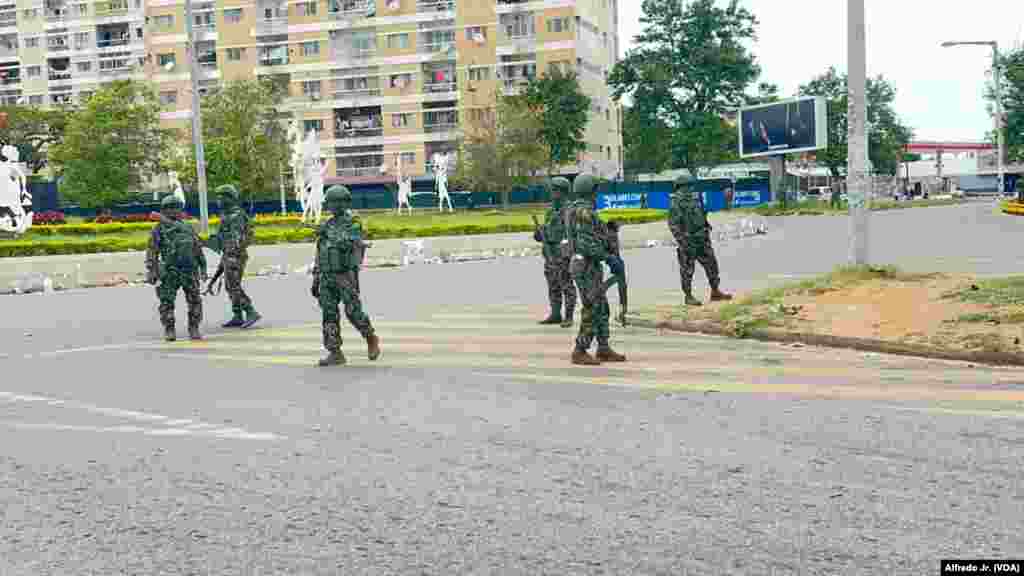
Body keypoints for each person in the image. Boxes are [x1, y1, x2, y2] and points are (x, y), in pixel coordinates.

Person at [311, 185, 381, 367]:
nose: (333, 206)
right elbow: (320, 251)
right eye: (330, 202)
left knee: (353, 311)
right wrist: (316, 276)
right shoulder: (327, 224)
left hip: (345, 275)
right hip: (326, 276)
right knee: (329, 314)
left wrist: (328, 233)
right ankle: (335, 351)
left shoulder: (353, 222)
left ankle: (370, 337)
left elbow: (348, 241)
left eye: (336, 202)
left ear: (345, 202)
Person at [565, 175, 626, 365]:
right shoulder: (584, 212)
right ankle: (580, 350)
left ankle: (603, 347)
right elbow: (586, 244)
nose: (597, 194)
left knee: (601, 306)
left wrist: (608, 232)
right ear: (590, 191)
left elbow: (592, 236)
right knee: (593, 307)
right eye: (595, 190)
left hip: (587, 265)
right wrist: (608, 257)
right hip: (586, 266)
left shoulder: (576, 209)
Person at [145, 195, 207, 341]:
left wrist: (203, 267)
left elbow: (197, 248)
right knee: (167, 302)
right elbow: (152, 250)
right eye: (169, 208)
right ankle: (169, 328)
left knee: (195, 300)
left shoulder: (187, 228)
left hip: (189, 271)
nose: (173, 211)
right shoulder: (159, 229)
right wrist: (152, 269)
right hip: (170, 271)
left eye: (176, 207)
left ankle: (194, 327)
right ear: (164, 210)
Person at [668, 174, 732, 306]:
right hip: (688, 240)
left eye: (690, 186)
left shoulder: (696, 198)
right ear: (680, 187)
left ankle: (715, 291)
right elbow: (673, 225)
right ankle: (688, 296)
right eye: (687, 186)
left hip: (702, 237)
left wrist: (706, 226)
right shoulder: (675, 202)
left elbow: (702, 214)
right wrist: (682, 241)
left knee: (712, 265)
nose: (689, 189)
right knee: (687, 270)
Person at [207, 184, 261, 328]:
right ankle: (237, 315)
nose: (218, 200)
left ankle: (251, 312)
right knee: (229, 285)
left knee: (233, 286)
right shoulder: (227, 215)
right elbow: (221, 238)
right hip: (228, 254)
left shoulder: (236, 216)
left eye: (221, 197)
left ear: (230, 198)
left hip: (235, 255)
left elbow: (236, 239)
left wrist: (229, 255)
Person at [534, 177, 576, 327]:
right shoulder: (550, 212)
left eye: (555, 190)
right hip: (550, 256)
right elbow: (543, 233)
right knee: (553, 286)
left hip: (562, 255)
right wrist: (539, 234)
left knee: (567, 286)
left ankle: (569, 316)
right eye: (552, 190)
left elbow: (570, 234)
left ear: (563, 192)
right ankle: (556, 313)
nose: (552, 194)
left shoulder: (570, 211)